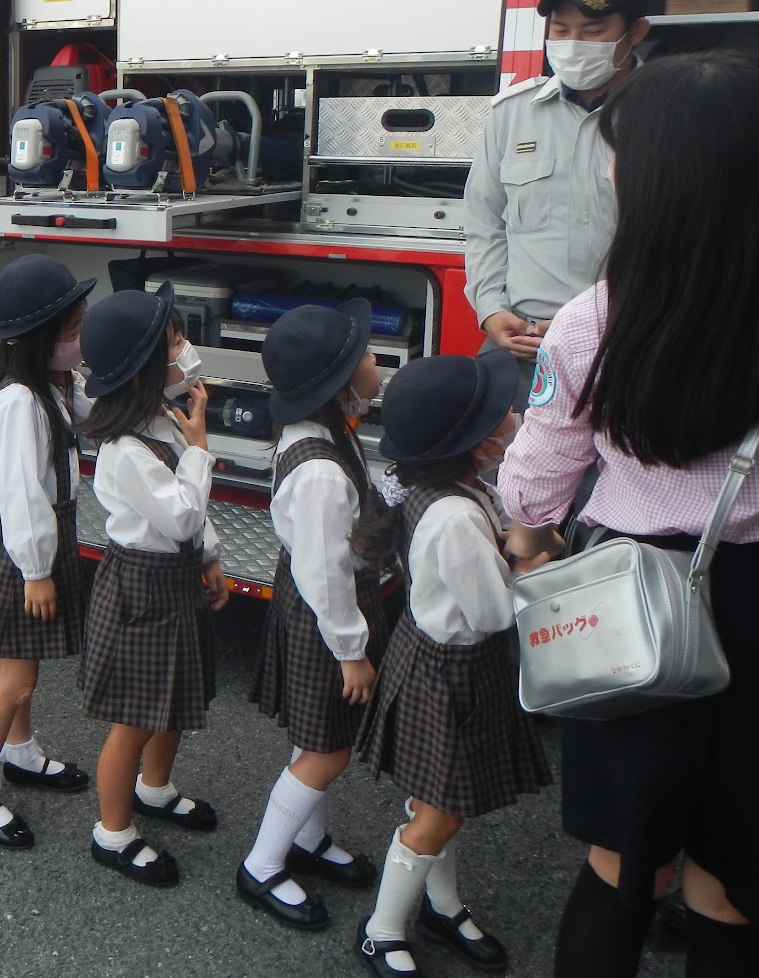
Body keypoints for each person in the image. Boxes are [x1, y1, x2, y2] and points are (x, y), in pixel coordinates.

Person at [499, 51, 759, 978]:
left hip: (630, 600)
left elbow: (532, 487)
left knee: (622, 867)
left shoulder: (592, 320)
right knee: (730, 884)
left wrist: (528, 544)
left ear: (656, 178)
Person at [349, 353, 553, 977]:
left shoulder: (447, 491)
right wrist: (533, 565)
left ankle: (441, 906)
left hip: (433, 661)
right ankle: (382, 931)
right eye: (502, 414)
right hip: (452, 673)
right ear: (476, 442)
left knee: (438, 801)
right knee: (441, 811)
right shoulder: (457, 516)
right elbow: (494, 612)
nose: (514, 417)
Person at [240, 300, 389, 930]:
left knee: (315, 734)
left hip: (319, 608)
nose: (377, 364)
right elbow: (326, 573)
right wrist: (352, 652)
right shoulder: (321, 471)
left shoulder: (320, 434)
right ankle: (263, 863)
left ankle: (306, 838)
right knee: (329, 750)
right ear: (339, 380)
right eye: (368, 356)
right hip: (330, 616)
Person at [76, 283, 229, 888]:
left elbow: (194, 519)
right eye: (175, 342)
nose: (187, 348)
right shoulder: (124, 450)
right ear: (143, 369)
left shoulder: (163, 418)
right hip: (142, 587)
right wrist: (200, 450)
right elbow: (181, 513)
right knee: (135, 718)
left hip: (175, 577)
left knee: (175, 699)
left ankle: (155, 788)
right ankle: (112, 833)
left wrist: (210, 557)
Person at [0, 255, 96, 850]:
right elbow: (21, 494)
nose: (80, 339)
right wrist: (37, 571)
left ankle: (21, 752)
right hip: (25, 550)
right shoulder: (19, 402)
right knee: (14, 679)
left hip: (42, 541)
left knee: (25, 669)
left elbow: (93, 416)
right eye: (73, 330)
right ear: (40, 337)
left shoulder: (55, 384)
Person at [462, 0, 649, 399]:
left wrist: (619, 320)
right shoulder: (512, 114)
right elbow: (484, 222)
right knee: (498, 442)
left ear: (636, 32)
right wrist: (491, 309)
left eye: (593, 30)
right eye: (561, 30)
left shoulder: (668, 116)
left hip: (628, 344)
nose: (573, 43)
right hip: (522, 346)